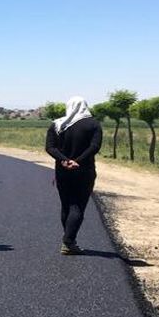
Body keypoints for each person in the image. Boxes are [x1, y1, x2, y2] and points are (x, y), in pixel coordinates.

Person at [45, 96, 104, 255]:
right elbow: (94, 146)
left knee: (66, 205)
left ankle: (69, 240)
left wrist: (64, 160)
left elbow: (50, 148)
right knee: (77, 206)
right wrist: (77, 161)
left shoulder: (57, 125)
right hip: (84, 171)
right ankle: (68, 241)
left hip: (62, 172)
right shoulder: (93, 124)